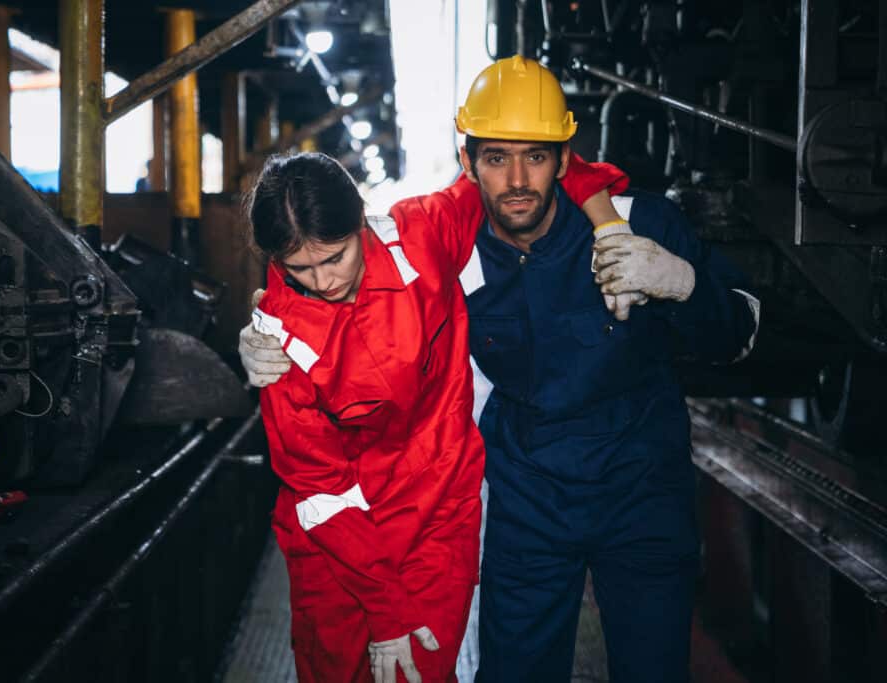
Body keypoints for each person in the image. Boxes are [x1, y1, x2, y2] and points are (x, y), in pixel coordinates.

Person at [241, 56, 761, 683]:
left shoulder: (634, 223)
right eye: (495, 158)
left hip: (642, 497)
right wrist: (269, 325)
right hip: (528, 504)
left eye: (535, 157)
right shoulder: (449, 250)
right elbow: (315, 264)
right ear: (469, 165)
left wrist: (683, 283)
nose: (517, 179)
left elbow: (740, 333)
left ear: (564, 159)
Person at [246, 145, 628, 683]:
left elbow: (512, 165)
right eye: (299, 269)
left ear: (360, 222)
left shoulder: (422, 235)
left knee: (418, 672)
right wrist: (384, 609)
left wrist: (604, 217)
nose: (324, 280)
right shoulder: (278, 342)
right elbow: (318, 485)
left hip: (436, 521)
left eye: (335, 257)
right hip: (337, 543)